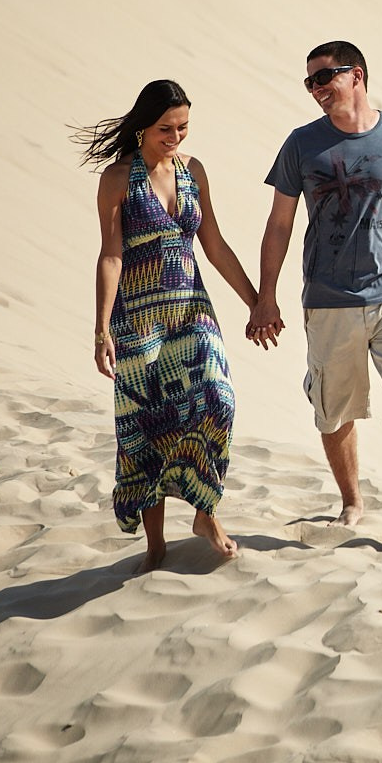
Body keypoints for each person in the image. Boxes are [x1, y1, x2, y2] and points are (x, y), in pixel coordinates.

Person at [250, 41, 382, 540]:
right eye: (310, 82)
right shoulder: (302, 144)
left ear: (356, 75)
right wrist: (265, 295)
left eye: (325, 77)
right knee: (334, 409)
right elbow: (279, 223)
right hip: (329, 296)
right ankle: (351, 502)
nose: (317, 89)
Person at [79, 80, 262, 571]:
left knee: (217, 400)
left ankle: (206, 514)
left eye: (183, 127)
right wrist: (101, 329)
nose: (176, 136)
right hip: (138, 318)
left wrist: (256, 301)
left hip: (190, 311)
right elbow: (111, 254)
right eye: (166, 128)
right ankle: (155, 544)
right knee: (148, 425)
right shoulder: (118, 178)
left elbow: (215, 244)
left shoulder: (192, 171)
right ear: (143, 125)